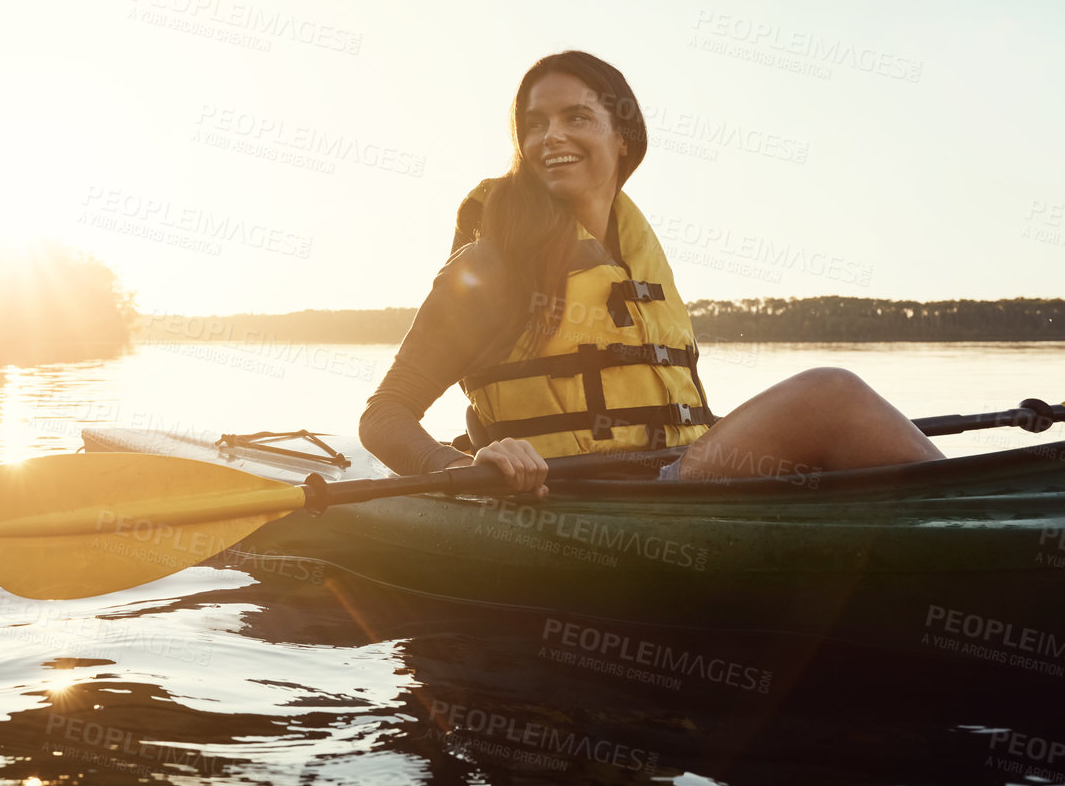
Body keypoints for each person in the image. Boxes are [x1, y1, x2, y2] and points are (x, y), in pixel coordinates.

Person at [359, 50, 943, 497]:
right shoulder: (491, 265)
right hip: (594, 502)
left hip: (675, 484)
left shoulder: (633, 264)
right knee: (829, 393)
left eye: (576, 117)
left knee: (833, 436)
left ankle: (964, 514)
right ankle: (978, 513)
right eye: (534, 124)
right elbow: (383, 416)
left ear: (623, 136)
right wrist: (462, 468)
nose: (551, 135)